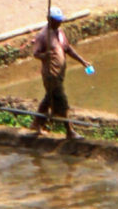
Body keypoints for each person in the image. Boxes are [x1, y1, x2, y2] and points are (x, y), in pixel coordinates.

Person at [31, 7, 85, 140]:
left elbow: (68, 49)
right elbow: (35, 53)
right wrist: (45, 55)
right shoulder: (43, 35)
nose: (59, 23)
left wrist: (83, 61)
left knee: (48, 98)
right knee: (63, 102)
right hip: (51, 75)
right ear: (49, 20)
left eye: (60, 21)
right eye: (56, 21)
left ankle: (36, 123)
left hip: (59, 74)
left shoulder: (59, 32)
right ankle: (70, 131)